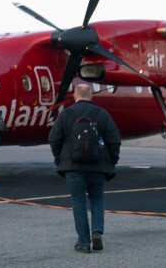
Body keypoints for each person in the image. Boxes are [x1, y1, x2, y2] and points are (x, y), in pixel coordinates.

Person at [48, 83, 121, 254]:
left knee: (78, 201)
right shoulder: (102, 114)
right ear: (91, 96)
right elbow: (114, 139)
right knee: (97, 198)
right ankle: (97, 232)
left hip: (73, 166)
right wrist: (112, 160)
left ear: (75, 95)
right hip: (98, 166)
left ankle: (83, 242)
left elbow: (54, 139)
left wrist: (60, 159)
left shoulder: (66, 114)